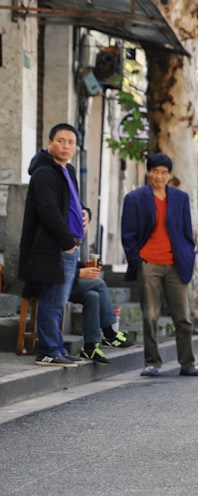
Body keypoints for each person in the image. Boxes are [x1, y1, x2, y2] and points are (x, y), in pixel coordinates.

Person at [121, 153, 198, 378]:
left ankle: (187, 363)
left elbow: (187, 233)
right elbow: (128, 235)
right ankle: (152, 362)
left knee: (183, 317)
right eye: (155, 171)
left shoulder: (180, 198)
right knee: (150, 316)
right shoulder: (134, 198)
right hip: (149, 263)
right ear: (148, 172)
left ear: (170, 175)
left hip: (175, 264)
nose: (159, 176)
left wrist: (187, 257)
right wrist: (137, 259)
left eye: (164, 172)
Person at [18, 123, 87, 367]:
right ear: (49, 143)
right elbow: (48, 210)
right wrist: (67, 241)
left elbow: (71, 203)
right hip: (53, 247)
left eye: (70, 142)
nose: (66, 145)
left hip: (67, 246)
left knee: (59, 302)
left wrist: (84, 211)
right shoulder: (45, 172)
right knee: (51, 300)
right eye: (61, 140)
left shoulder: (66, 170)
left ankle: (56, 347)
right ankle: (47, 350)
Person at [72, 207, 134, 365]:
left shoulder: (73, 241)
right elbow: (52, 268)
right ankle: (110, 333)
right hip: (54, 284)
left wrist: (86, 268)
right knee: (99, 284)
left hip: (68, 283)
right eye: (82, 225)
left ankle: (90, 346)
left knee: (92, 296)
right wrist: (80, 273)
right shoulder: (57, 238)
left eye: (85, 225)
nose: (84, 229)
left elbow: (72, 265)